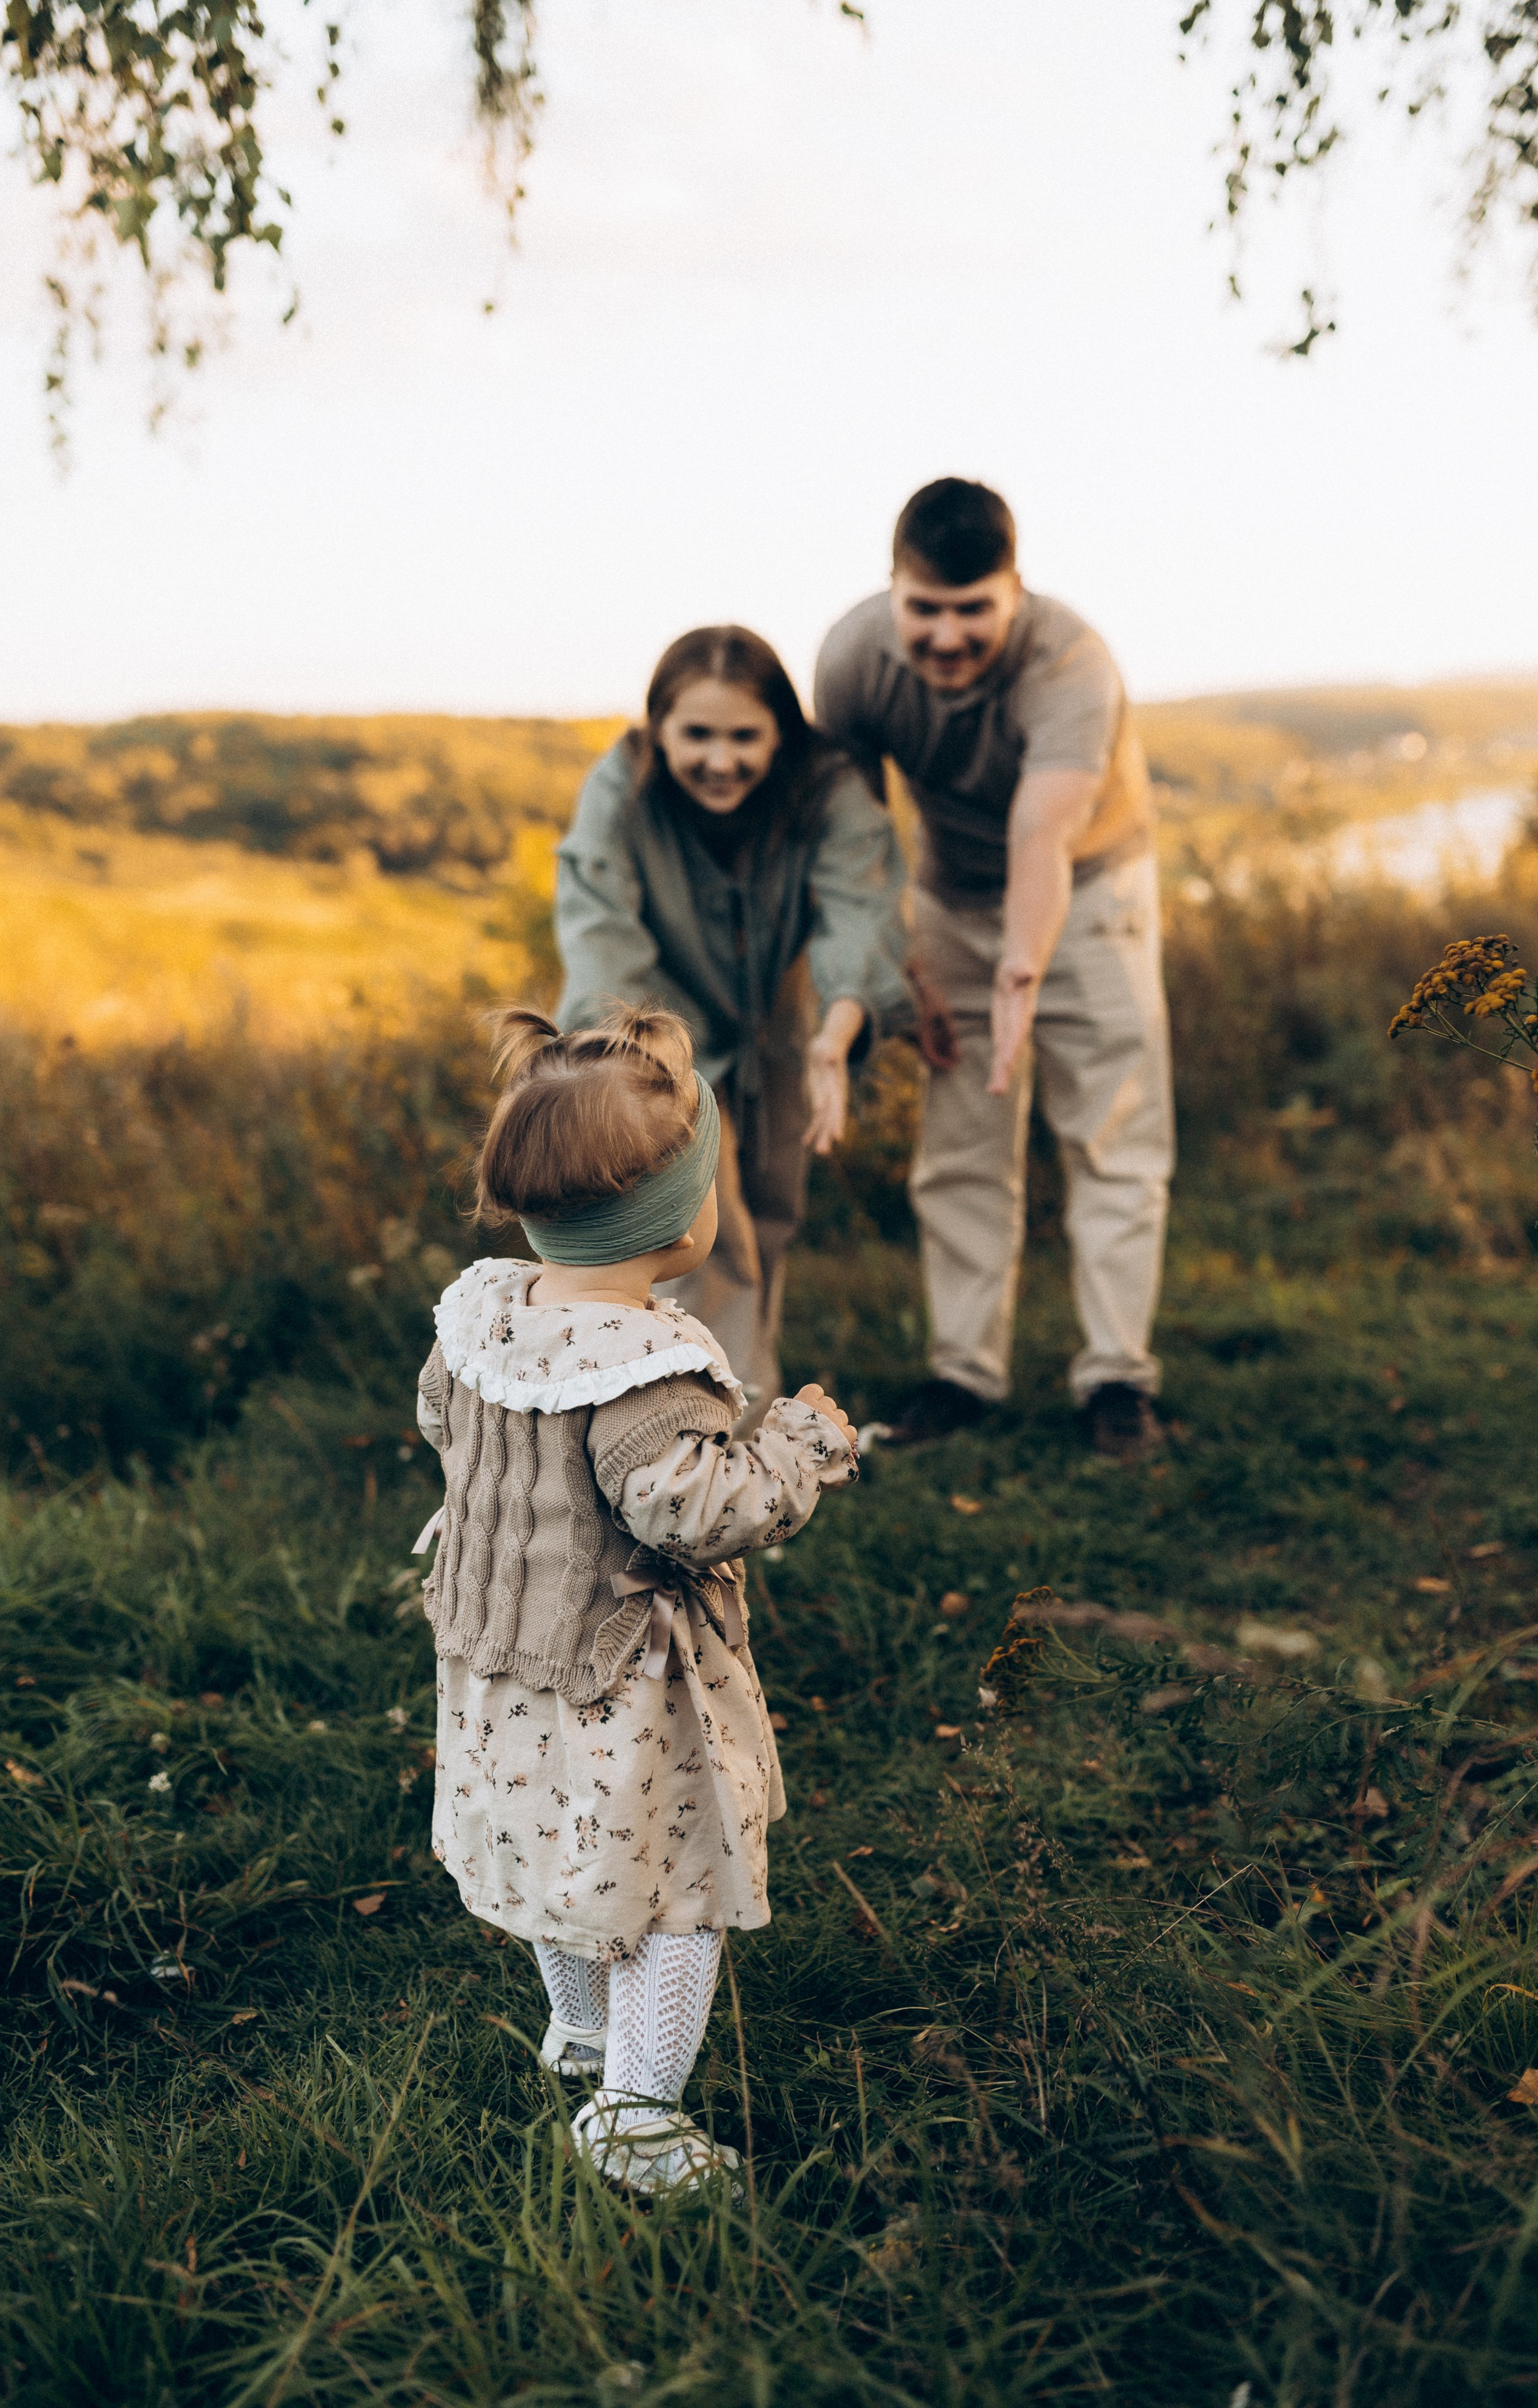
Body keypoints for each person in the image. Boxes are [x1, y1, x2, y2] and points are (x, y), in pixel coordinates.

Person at [413, 1002, 858, 2198]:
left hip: (501, 1657)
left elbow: (444, 1425)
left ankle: (581, 2037)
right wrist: (802, 1443)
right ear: (679, 1222)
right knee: (670, 1888)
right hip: (624, 1681)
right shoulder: (640, 1375)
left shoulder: (487, 1322)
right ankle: (638, 2114)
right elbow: (697, 1512)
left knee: (559, 1854)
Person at [815, 478, 1173, 1463]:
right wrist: (916, 975)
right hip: (946, 897)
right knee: (962, 1148)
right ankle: (963, 1374)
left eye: (973, 610)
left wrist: (1021, 978)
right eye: (925, 609)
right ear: (894, 591)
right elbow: (856, 839)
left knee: (1113, 1139)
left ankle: (1116, 1379)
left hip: (1092, 892)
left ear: (1014, 591)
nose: (946, 634)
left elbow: (1043, 835)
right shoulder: (850, 661)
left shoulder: (1069, 660)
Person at [555, 626, 911, 1429]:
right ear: (659, 730)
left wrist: (840, 1024)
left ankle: (727, 1408)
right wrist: (644, 1071)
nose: (722, 759)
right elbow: (599, 929)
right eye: (698, 735)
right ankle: (703, 1443)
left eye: (745, 735)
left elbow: (862, 907)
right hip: (651, 1030)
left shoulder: (829, 786)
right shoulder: (620, 787)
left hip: (780, 1023)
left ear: (781, 730)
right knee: (702, 1239)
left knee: (770, 1215)